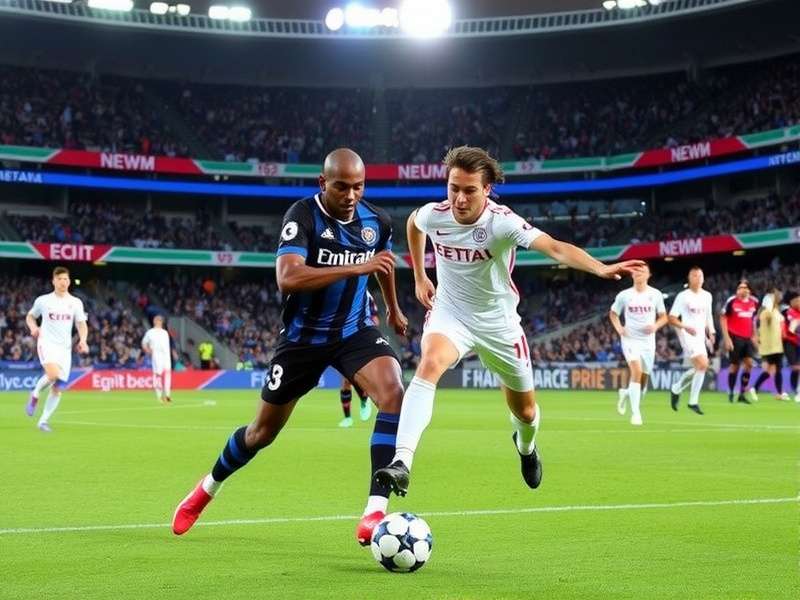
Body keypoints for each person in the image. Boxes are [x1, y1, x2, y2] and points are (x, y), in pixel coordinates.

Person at [373, 146, 644, 498]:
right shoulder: (435, 214)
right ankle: (402, 462)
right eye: (453, 188)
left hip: (498, 324)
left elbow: (554, 248)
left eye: (469, 190)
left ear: (487, 190)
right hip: (451, 313)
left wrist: (600, 267)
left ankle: (526, 447)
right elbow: (413, 223)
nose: (459, 199)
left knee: (526, 412)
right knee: (429, 364)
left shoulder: (502, 222)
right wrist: (420, 277)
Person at [172, 148, 408, 547]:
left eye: (358, 187)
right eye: (341, 187)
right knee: (261, 433)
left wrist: (393, 308)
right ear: (323, 182)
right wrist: (357, 267)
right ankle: (206, 489)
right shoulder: (302, 216)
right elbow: (288, 277)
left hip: (353, 331)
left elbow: (383, 263)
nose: (351, 195)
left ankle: (374, 510)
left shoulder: (377, 220)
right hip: (302, 341)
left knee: (394, 393)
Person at [24, 266, 89, 432]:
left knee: (58, 388)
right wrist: (33, 328)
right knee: (53, 374)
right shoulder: (43, 300)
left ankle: (43, 421)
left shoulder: (75, 302)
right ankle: (35, 394)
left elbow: (81, 324)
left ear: (69, 281)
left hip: (65, 349)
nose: (63, 282)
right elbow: (30, 316)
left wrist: (83, 340)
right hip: (46, 343)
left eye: (66, 279)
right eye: (59, 279)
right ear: (53, 281)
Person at [608, 263, 668, 426]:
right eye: (636, 271)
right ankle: (636, 413)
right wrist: (620, 329)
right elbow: (613, 313)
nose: (639, 273)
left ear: (649, 275)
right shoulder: (624, 295)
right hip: (630, 339)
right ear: (632, 275)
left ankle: (626, 393)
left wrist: (655, 326)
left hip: (648, 342)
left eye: (643, 271)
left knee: (643, 382)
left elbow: (664, 317)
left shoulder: (655, 294)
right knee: (636, 371)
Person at [668, 267, 716, 415]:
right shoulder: (683, 296)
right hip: (687, 336)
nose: (698, 278)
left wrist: (711, 331)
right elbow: (672, 318)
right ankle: (693, 402)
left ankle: (677, 388)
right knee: (703, 364)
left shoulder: (707, 296)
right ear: (689, 278)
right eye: (694, 276)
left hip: (700, 337)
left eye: (700, 275)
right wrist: (685, 327)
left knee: (701, 367)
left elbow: (708, 316)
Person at [338, 292, 379, 427]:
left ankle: (364, 399)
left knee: (354, 377)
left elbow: (375, 319)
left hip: (361, 339)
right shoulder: (342, 293)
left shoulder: (366, 295)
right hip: (343, 339)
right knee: (345, 381)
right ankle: (348, 418)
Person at [719, 279, 759, 403]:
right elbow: (723, 318)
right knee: (734, 366)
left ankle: (742, 393)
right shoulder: (732, 301)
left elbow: (754, 319)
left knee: (749, 364)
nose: (742, 290)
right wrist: (727, 338)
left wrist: (755, 336)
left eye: (745, 287)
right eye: (740, 287)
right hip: (735, 337)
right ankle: (731, 391)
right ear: (737, 290)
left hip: (748, 338)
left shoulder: (754, 302)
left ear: (749, 290)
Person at [751, 288, 787, 400]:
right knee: (773, 370)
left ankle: (776, 392)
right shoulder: (765, 313)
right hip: (771, 346)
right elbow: (767, 318)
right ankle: (776, 392)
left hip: (777, 345)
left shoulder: (777, 312)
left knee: (773, 370)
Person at [142, 314, 172, 404]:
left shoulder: (165, 332)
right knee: (158, 375)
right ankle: (159, 395)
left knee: (167, 375)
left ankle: (167, 395)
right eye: (158, 320)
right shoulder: (150, 332)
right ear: (155, 321)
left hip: (166, 356)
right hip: (156, 355)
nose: (160, 322)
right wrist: (148, 350)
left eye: (161, 320)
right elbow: (144, 343)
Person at [780, 291, 800, 402]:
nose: (799, 303)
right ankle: (796, 391)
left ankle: (795, 390)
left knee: (796, 368)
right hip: (789, 342)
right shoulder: (787, 312)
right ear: (791, 302)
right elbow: (791, 329)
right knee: (796, 367)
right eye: (797, 301)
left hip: (798, 342)